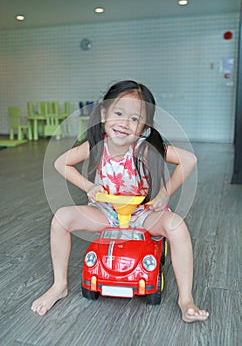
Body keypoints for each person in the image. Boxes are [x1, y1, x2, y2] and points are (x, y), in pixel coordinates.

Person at [31, 80, 209, 322]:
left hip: (143, 215)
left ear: (143, 126)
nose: (125, 124)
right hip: (107, 213)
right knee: (61, 218)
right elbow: (60, 162)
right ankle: (59, 285)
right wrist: (90, 186)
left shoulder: (144, 149)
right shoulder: (94, 146)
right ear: (104, 114)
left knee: (177, 226)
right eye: (118, 113)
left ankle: (185, 299)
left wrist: (164, 194)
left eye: (135, 119)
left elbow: (189, 160)